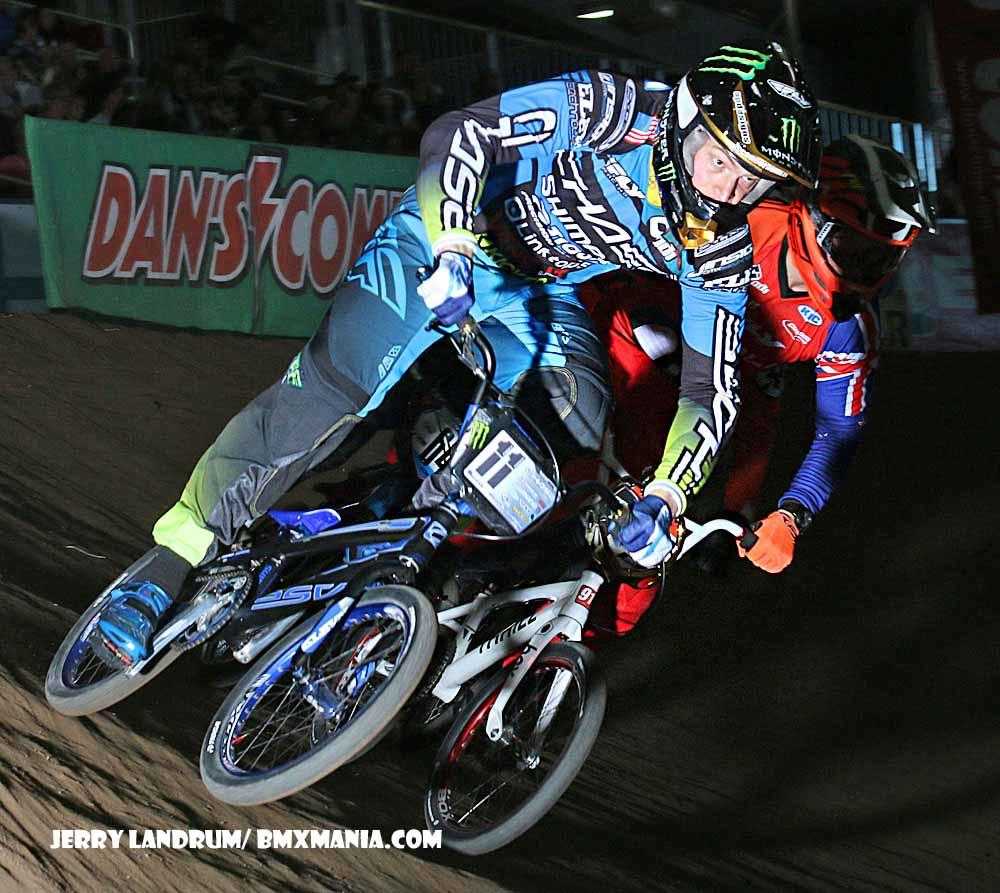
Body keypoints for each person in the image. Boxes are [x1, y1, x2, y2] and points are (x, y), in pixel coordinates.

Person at [91, 43, 821, 670]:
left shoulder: (722, 248)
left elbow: (710, 390)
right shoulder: (615, 110)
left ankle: (393, 535)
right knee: (333, 394)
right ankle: (167, 566)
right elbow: (462, 133)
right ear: (685, 121)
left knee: (575, 423)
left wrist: (667, 494)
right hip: (443, 240)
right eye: (721, 162)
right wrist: (451, 247)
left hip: (537, 293)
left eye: (754, 181)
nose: (730, 191)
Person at [581, 135, 934, 588]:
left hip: (723, 387)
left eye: (878, 258)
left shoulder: (849, 327)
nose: (861, 270)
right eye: (852, 247)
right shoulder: (745, 221)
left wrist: (789, 514)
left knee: (643, 570)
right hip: (636, 339)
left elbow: (835, 429)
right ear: (812, 215)